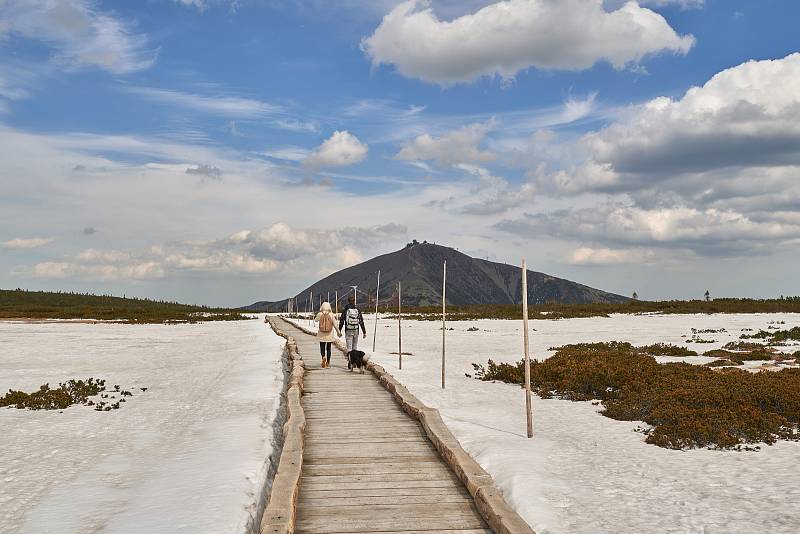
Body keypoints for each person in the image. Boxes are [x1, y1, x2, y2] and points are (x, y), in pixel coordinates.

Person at [339, 295, 366, 368]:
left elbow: (341, 320)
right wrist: (364, 331)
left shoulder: (346, 309)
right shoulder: (357, 309)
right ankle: (355, 360)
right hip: (356, 330)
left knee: (349, 347)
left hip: (348, 330)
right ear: (354, 301)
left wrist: (339, 330)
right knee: (355, 346)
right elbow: (361, 321)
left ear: (348, 301)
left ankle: (350, 362)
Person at [314, 301, 341, 368]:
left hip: (321, 334)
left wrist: (319, 314)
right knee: (329, 348)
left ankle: (323, 357)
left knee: (322, 347)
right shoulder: (331, 314)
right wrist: (338, 332)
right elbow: (335, 324)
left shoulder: (320, 314)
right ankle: (328, 363)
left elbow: (316, 320)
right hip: (330, 334)